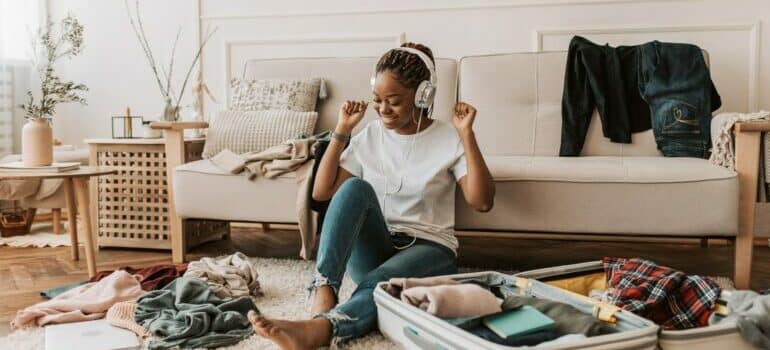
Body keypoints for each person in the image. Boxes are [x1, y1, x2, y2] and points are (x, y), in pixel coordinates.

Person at [249, 42, 496, 349]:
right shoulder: (371, 135)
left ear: (423, 95)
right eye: (377, 100)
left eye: (393, 101)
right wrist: (341, 130)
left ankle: (322, 329)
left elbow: (481, 201)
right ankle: (323, 289)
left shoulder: (448, 137)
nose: (382, 109)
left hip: (430, 251)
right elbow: (323, 192)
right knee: (355, 188)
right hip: (378, 245)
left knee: (379, 284)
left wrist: (467, 134)